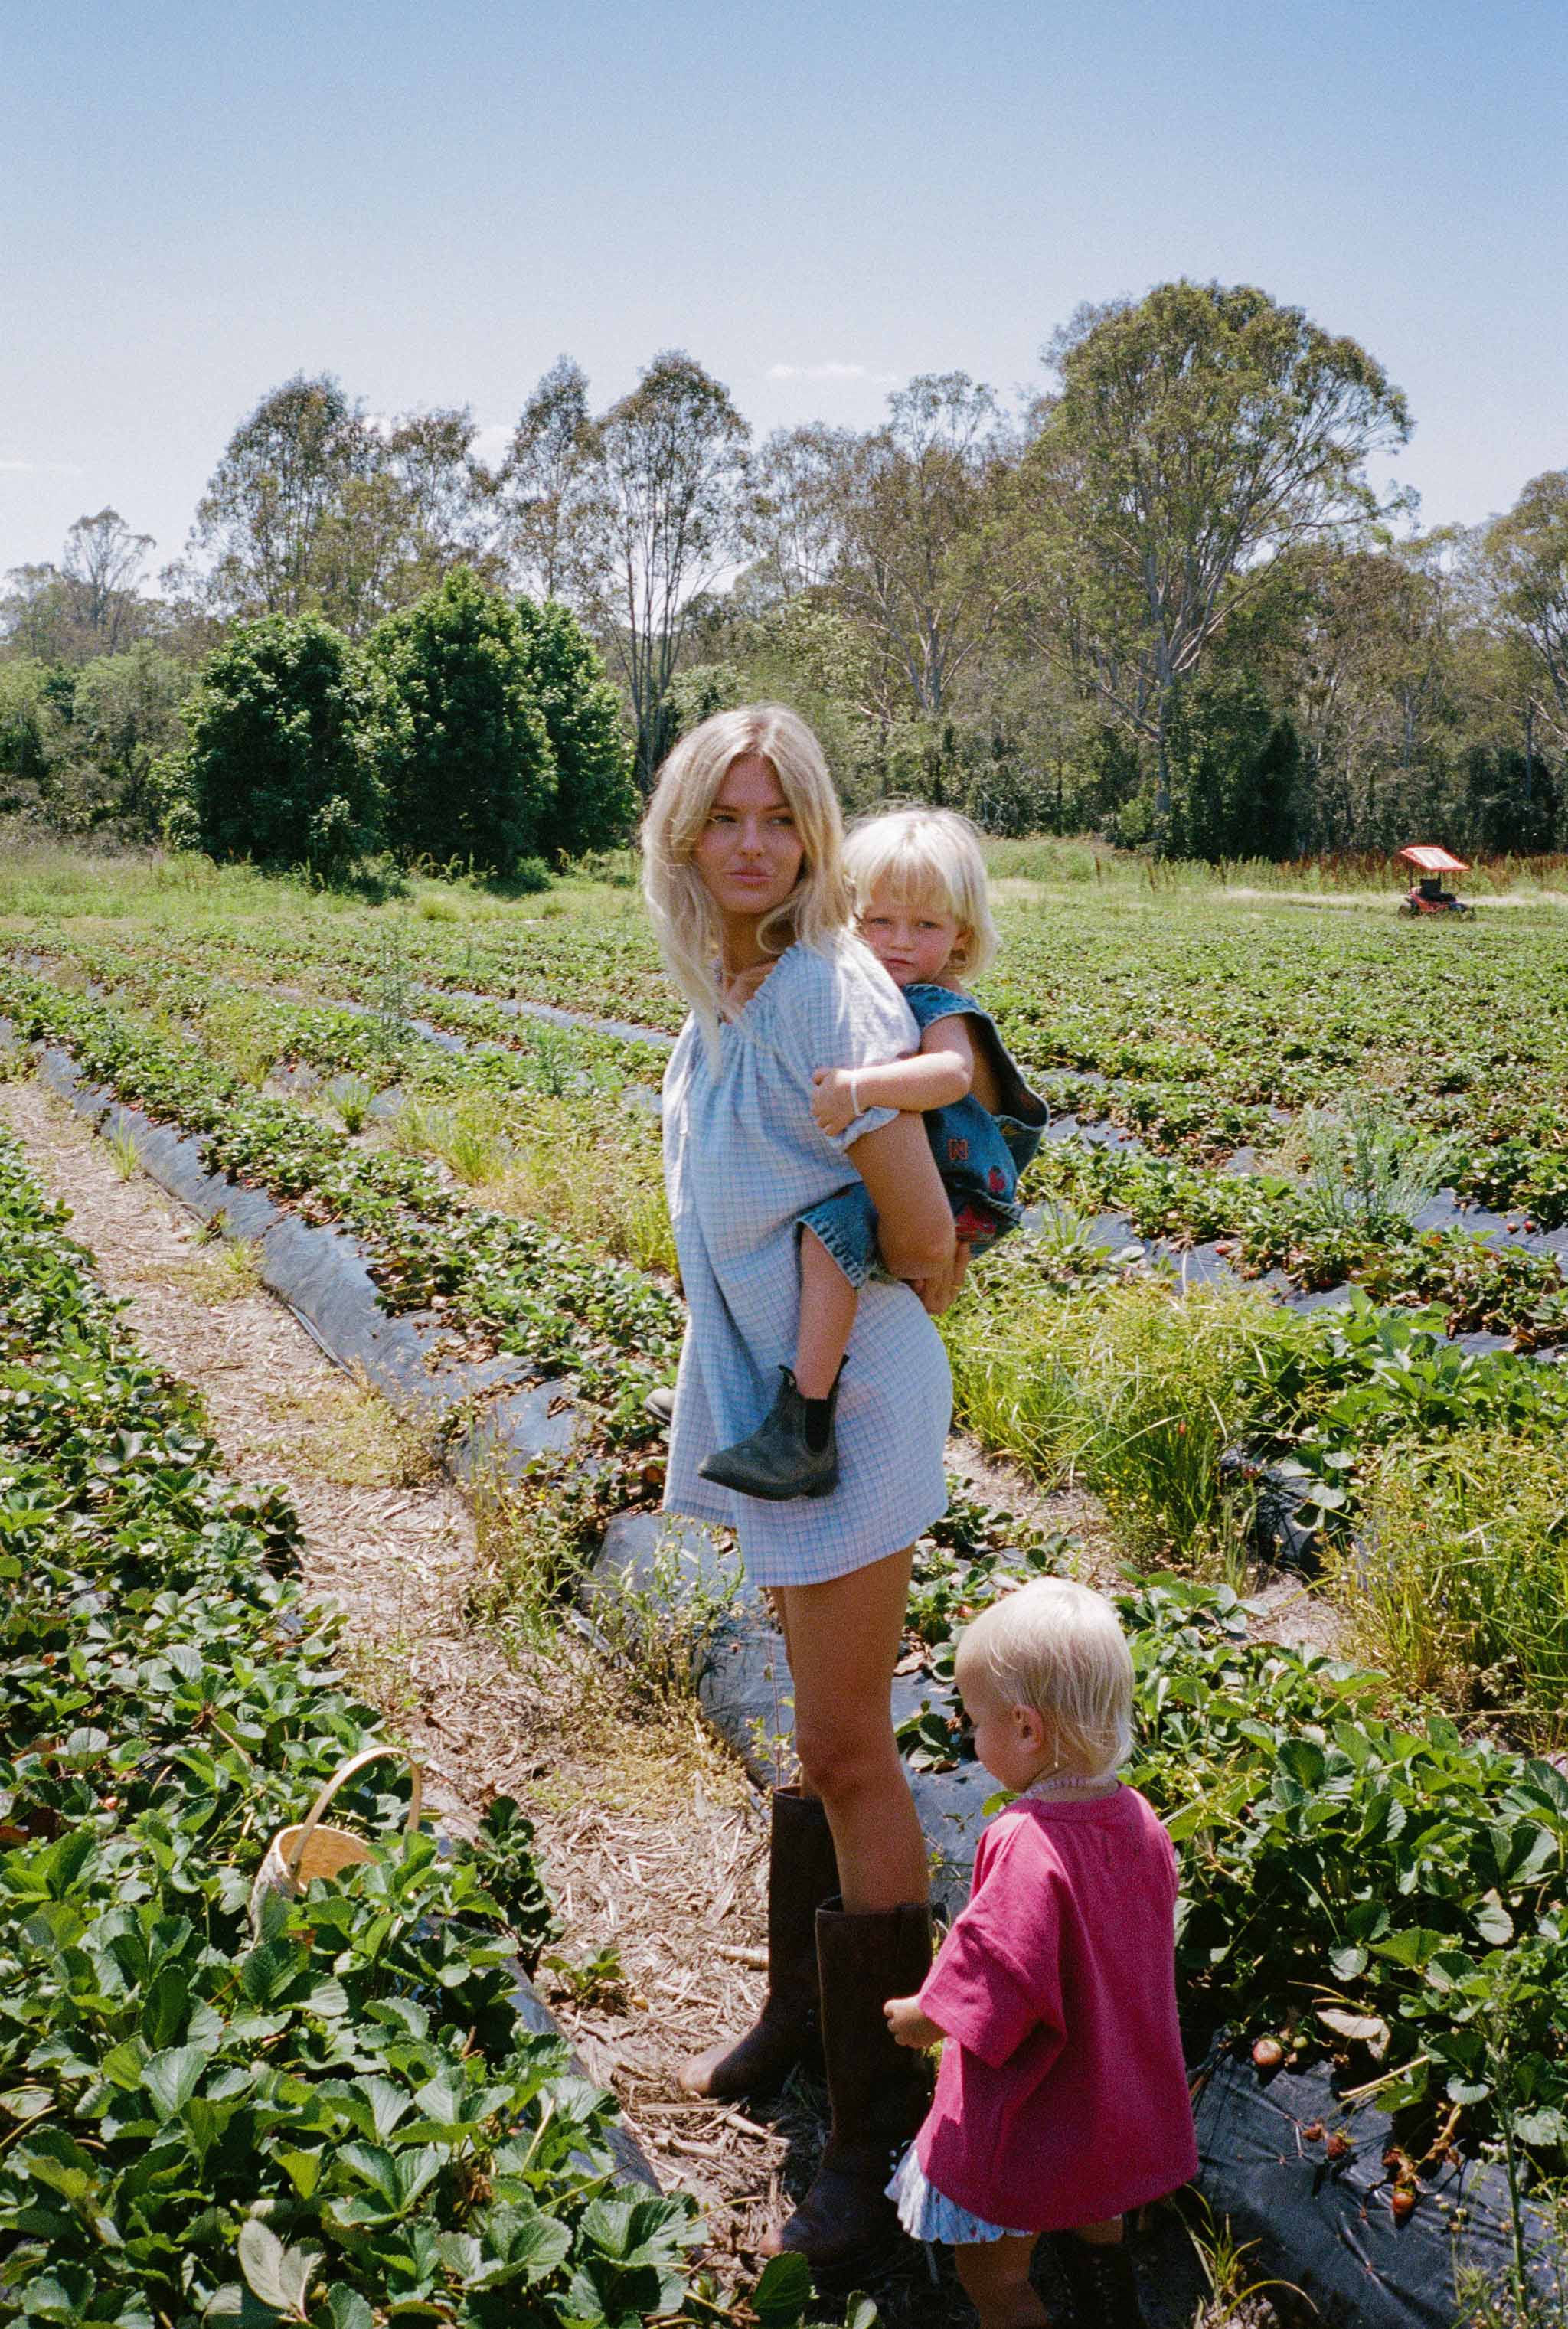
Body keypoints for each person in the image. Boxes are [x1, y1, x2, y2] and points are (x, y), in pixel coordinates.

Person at [642, 705, 965, 2266]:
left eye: (779, 818)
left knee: (849, 1749)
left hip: (856, 1417)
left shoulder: (834, 987)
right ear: (687, 838)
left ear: (813, 832)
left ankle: (876, 2126)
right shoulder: (721, 995)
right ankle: (796, 2009)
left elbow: (922, 1250)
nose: (754, 844)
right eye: (727, 819)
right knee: (815, 1734)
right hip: (785, 1418)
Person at [699, 807, 1047, 1501]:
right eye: (878, 922)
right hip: (941, 1173)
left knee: (826, 1240)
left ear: (959, 938)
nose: (897, 943)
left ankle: (804, 1426)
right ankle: (738, 1401)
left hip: (961, 1184)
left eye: (924, 927)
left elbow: (948, 1076)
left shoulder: (938, 1000)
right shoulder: (851, 986)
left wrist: (861, 1088)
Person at [882, 1579, 1197, 2329]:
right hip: (1115, 2099)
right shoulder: (1139, 1820)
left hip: (1034, 2111)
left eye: (973, 1719)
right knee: (1098, 2218)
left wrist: (918, 2017)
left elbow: (994, 1972)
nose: (967, 1734)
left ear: (1025, 1729)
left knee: (991, 2276)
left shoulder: (1023, 1841)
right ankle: (1107, 2305)